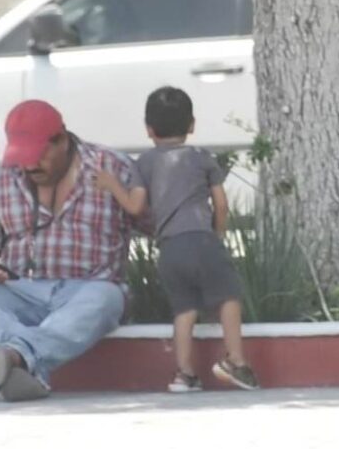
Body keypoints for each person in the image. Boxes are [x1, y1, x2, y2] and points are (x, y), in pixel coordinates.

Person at [0, 99, 142, 402]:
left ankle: (15, 358)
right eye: (23, 156)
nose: (30, 165)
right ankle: (14, 371)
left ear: (62, 139)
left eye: (39, 155)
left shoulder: (112, 167)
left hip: (89, 287)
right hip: (22, 288)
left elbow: (152, 220)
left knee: (106, 298)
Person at [95, 86, 259, 392]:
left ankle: (184, 374)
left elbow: (135, 207)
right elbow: (221, 205)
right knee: (228, 298)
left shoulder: (143, 164)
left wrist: (111, 185)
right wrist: (218, 235)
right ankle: (237, 361)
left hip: (169, 249)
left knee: (184, 310)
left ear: (149, 129)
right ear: (192, 124)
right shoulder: (202, 158)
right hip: (202, 239)